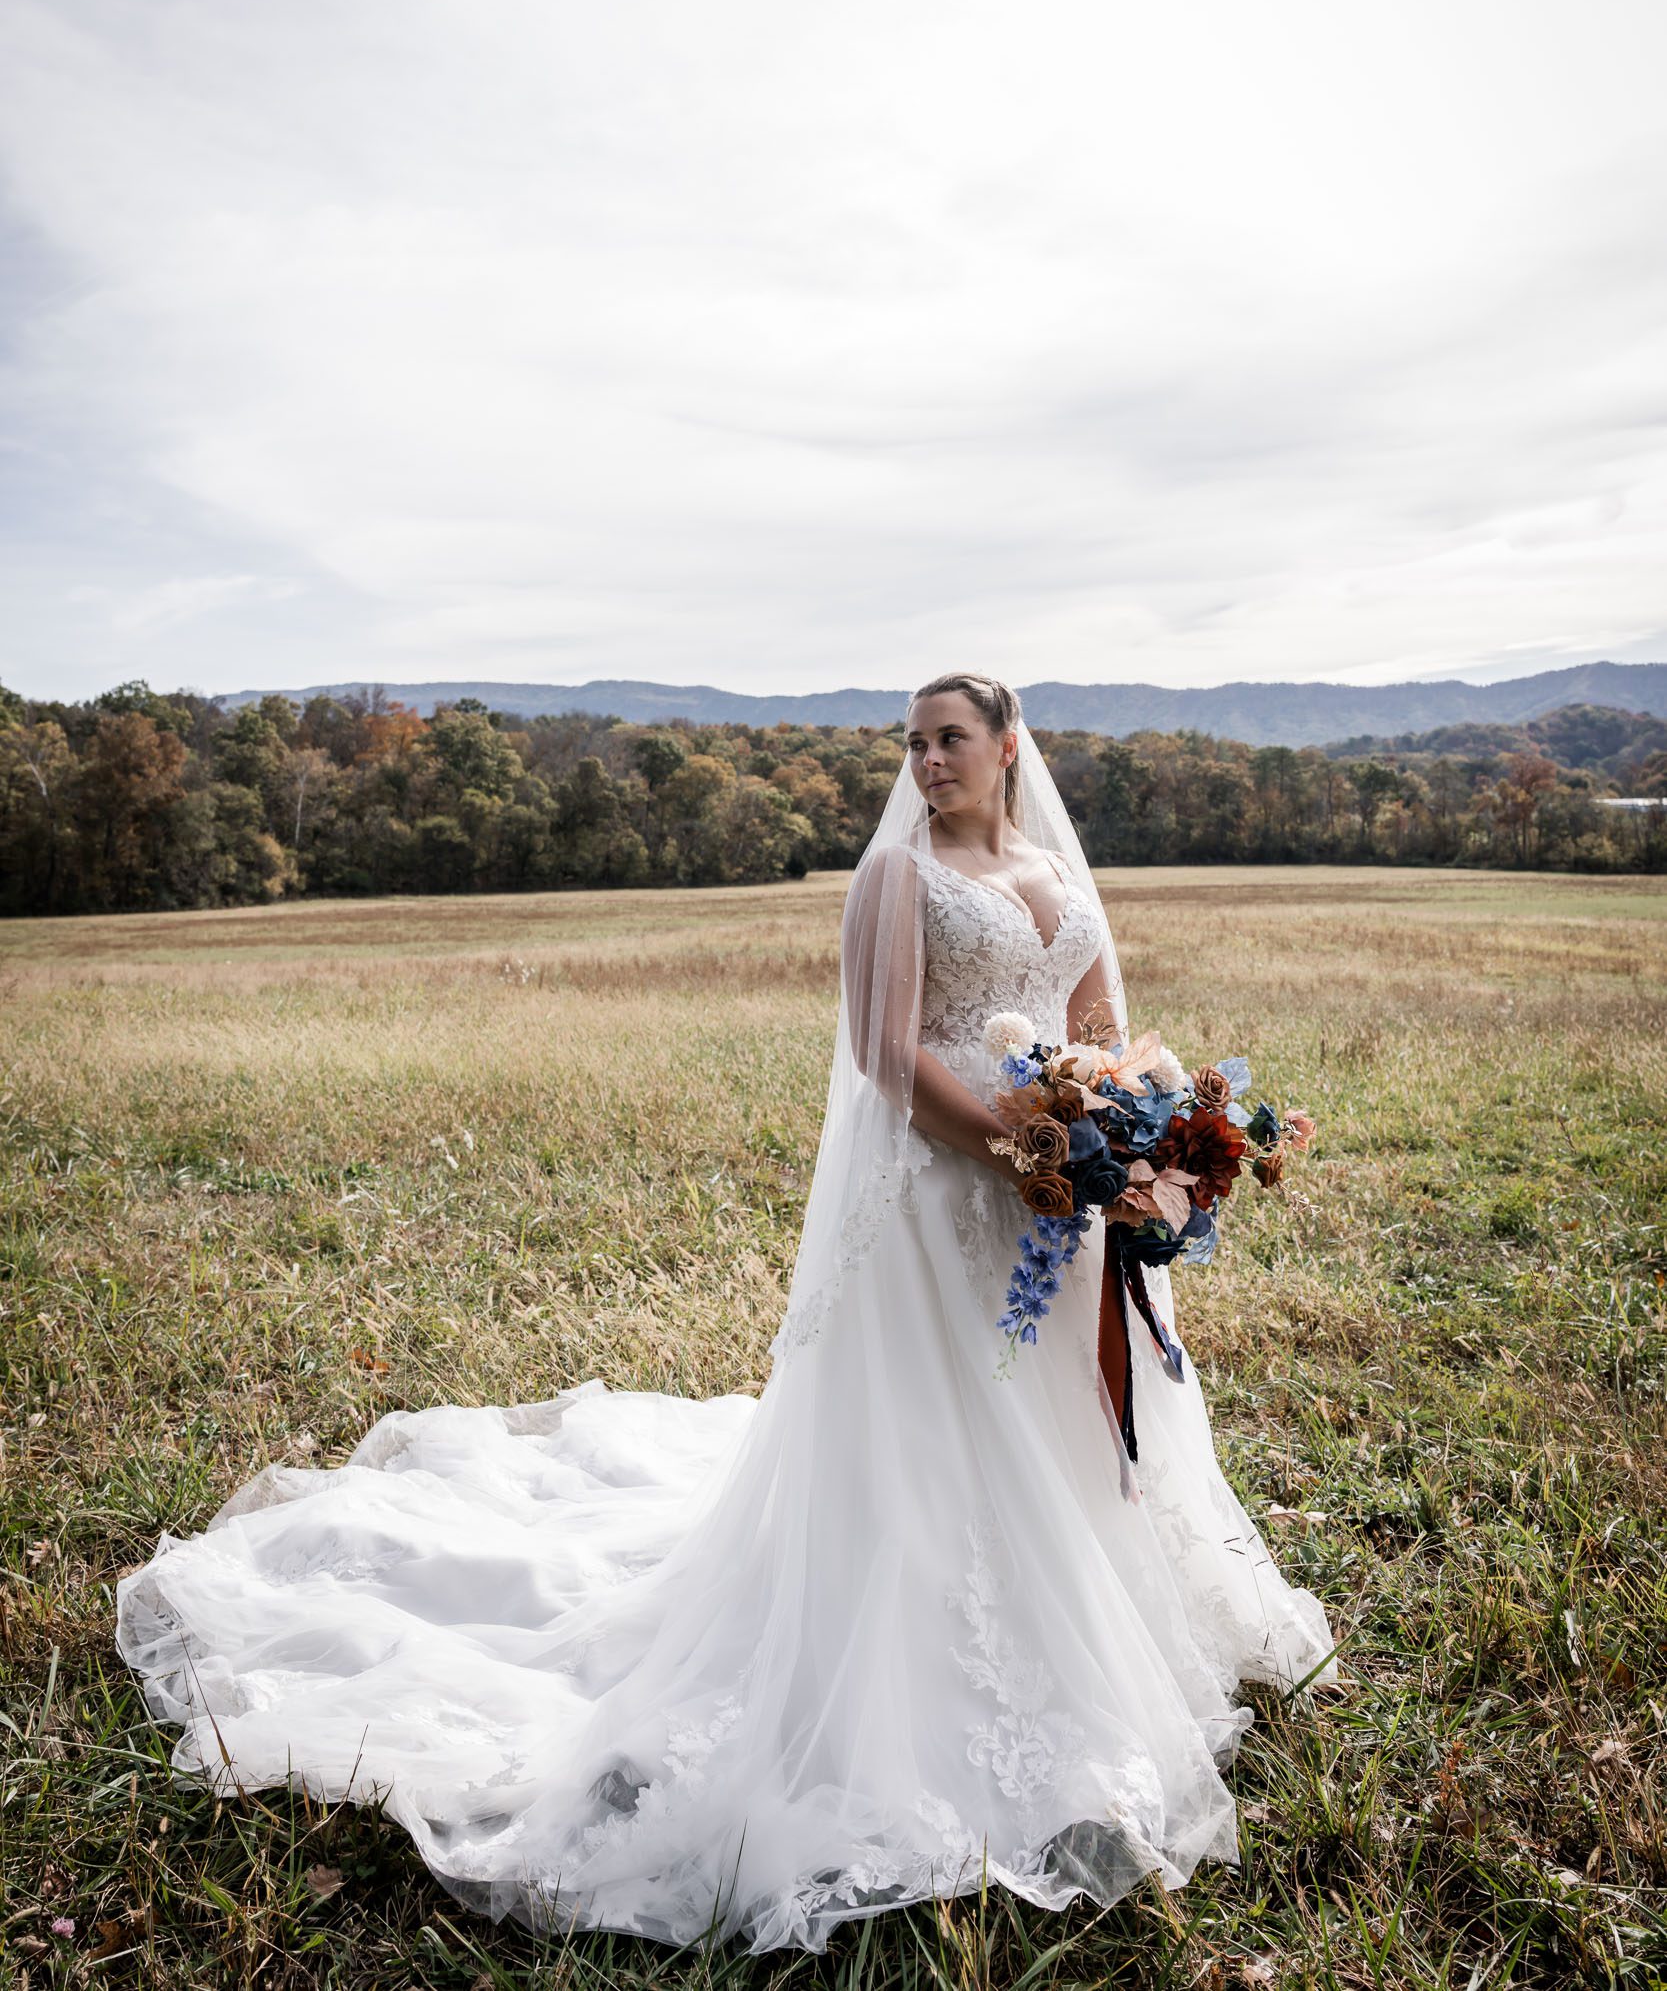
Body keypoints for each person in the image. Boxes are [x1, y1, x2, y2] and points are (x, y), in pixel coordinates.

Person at [115, 672, 1336, 1954]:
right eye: (911, 743)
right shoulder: (897, 877)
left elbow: (1101, 1027)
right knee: (933, 1435)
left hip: (1057, 1212)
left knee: (1056, 1425)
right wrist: (1008, 1146)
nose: (926, 762)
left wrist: (1133, 1136)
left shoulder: (1051, 868)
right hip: (941, 1194)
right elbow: (881, 1046)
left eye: (949, 740)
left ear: (1006, 744)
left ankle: (1102, 1638)